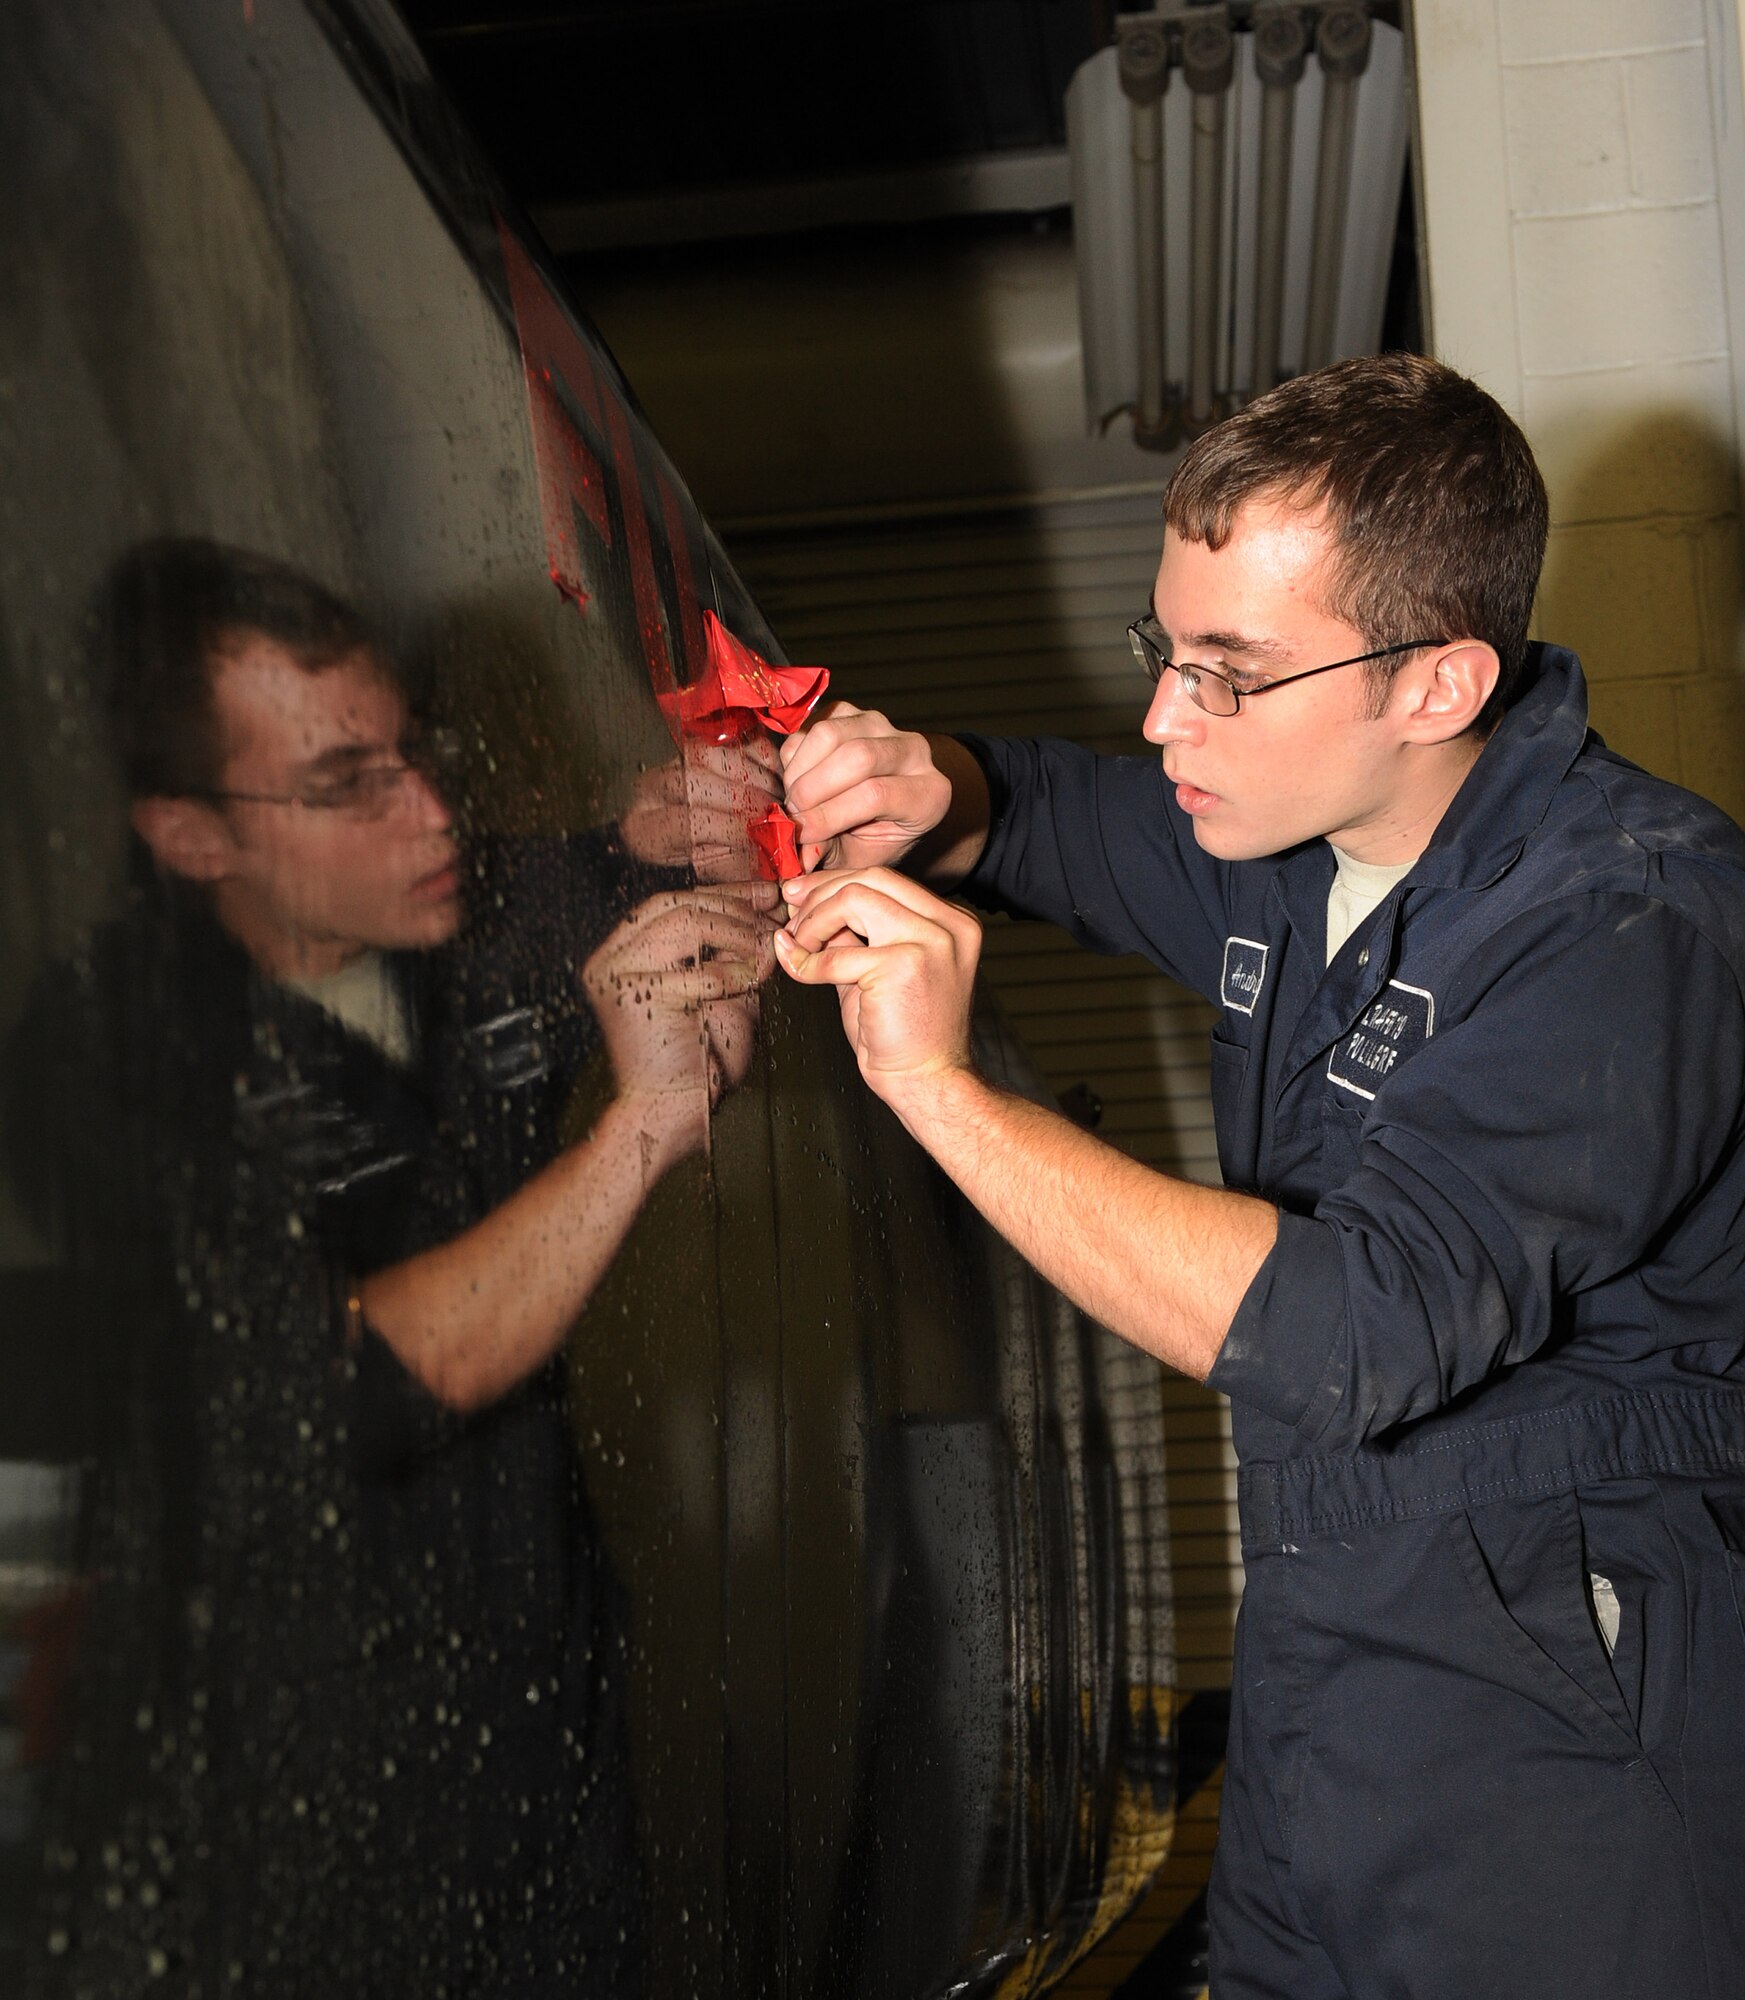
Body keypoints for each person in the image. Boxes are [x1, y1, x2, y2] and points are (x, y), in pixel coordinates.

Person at [772, 354, 1745, 2000]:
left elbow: (1348, 1334)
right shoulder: (1290, 843)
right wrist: (941, 784)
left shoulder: (1630, 926)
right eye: (1166, 647)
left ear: (1436, 684)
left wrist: (934, 1089)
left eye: (1229, 673)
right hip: (1324, 1694)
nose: (1163, 716)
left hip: (1568, 1738)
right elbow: (1065, 818)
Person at [6, 538, 777, 1996]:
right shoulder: (101, 1066)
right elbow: (338, 1383)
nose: (427, 809)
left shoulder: (457, 919)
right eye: (344, 782)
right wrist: (639, 1134)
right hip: (296, 1808)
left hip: (546, 1734)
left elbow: (622, 873)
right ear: (189, 836)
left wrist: (686, 825)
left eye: (414, 752)